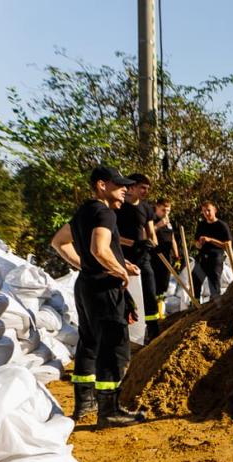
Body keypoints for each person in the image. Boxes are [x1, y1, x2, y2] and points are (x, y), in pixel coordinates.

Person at [50, 166, 145, 427]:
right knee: (114, 346)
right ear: (102, 185)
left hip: (87, 286)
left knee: (89, 342)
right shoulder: (105, 213)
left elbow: (58, 241)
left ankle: (85, 404)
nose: (125, 189)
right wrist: (119, 272)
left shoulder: (84, 211)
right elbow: (99, 249)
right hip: (104, 289)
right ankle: (110, 410)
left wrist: (88, 266)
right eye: (119, 184)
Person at [114, 173, 160, 342]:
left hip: (143, 258)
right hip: (122, 259)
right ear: (131, 187)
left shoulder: (147, 208)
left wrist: (151, 243)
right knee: (125, 295)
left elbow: (152, 234)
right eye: (142, 188)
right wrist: (133, 243)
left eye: (147, 189)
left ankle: (153, 330)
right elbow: (112, 236)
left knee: (149, 292)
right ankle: (125, 333)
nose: (145, 191)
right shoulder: (118, 207)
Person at [192, 201, 232, 300]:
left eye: (209, 210)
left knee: (214, 286)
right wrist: (199, 244)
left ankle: (214, 309)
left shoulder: (222, 225)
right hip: (202, 258)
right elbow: (196, 243)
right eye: (204, 211)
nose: (207, 213)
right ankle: (195, 307)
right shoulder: (201, 225)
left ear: (215, 210)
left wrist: (210, 240)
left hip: (216, 259)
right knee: (195, 282)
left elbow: (228, 246)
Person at [149, 198, 180, 318]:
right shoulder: (151, 220)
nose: (166, 213)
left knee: (164, 285)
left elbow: (172, 239)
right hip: (154, 257)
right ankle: (154, 311)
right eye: (163, 210)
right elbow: (146, 234)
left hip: (167, 257)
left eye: (168, 211)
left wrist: (177, 256)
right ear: (156, 208)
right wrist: (158, 226)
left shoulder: (169, 223)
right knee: (154, 285)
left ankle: (161, 311)